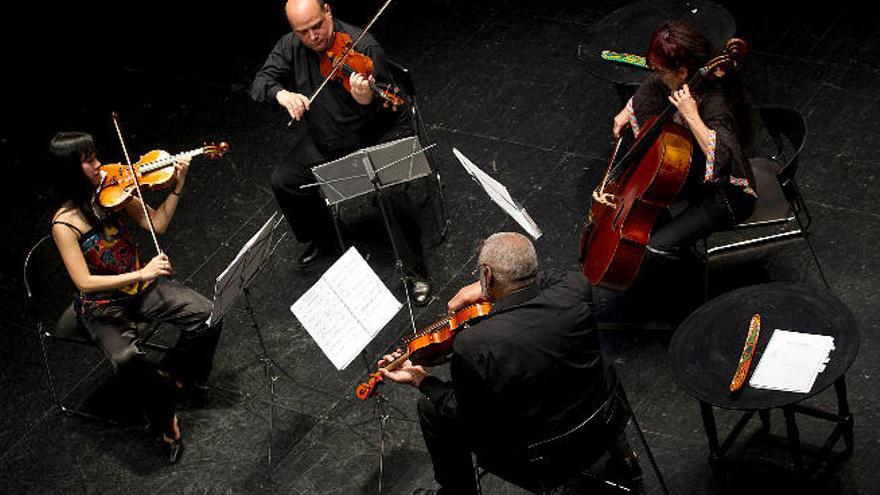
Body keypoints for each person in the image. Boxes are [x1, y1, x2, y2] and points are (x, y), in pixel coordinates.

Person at [378, 232, 639, 494]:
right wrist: (491, 288)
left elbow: (465, 415)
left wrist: (422, 381)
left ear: (487, 275)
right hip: (606, 417)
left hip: (542, 460)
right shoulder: (574, 289)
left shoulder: (474, 345)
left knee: (431, 409)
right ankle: (624, 459)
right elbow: (552, 276)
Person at [48, 131, 223, 464]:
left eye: (95, 155)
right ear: (71, 170)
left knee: (207, 313)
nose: (99, 164)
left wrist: (177, 184)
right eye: (88, 160)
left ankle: (176, 375)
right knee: (126, 359)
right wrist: (143, 273)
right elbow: (84, 282)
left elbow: (157, 225)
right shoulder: (65, 224)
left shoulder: (114, 191)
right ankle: (164, 421)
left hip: (139, 289)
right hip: (101, 304)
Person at [250, 0, 432, 305]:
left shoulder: (366, 48)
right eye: (303, 31)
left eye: (317, 26)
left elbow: (390, 104)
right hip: (329, 133)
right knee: (285, 180)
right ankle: (328, 238)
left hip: (377, 131)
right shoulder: (291, 46)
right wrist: (283, 94)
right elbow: (259, 84)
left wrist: (365, 101)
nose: (314, 37)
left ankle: (416, 272)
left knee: (390, 193)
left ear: (328, 12)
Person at [611, 20, 757, 264]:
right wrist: (630, 108)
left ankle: (689, 276)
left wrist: (691, 115)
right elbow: (654, 85)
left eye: (662, 72)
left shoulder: (716, 102)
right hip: (697, 180)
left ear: (682, 72)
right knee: (646, 209)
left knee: (656, 247)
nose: (658, 77)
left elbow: (724, 157)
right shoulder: (680, 78)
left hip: (725, 196)